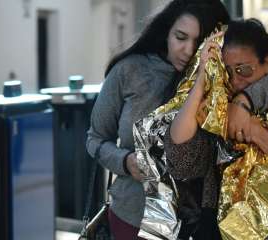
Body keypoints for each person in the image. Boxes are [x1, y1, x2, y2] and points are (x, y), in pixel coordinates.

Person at [164, 18, 268, 236]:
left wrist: (260, 135)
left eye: (244, 70)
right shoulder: (218, 108)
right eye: (228, 72)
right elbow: (181, 162)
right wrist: (201, 80)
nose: (235, 81)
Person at [86, 1, 230, 239]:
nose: (187, 50)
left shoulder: (221, 78)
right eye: (180, 37)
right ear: (166, 30)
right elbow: (95, 138)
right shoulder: (129, 71)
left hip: (199, 221)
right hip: (134, 214)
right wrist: (125, 161)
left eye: (199, 42)